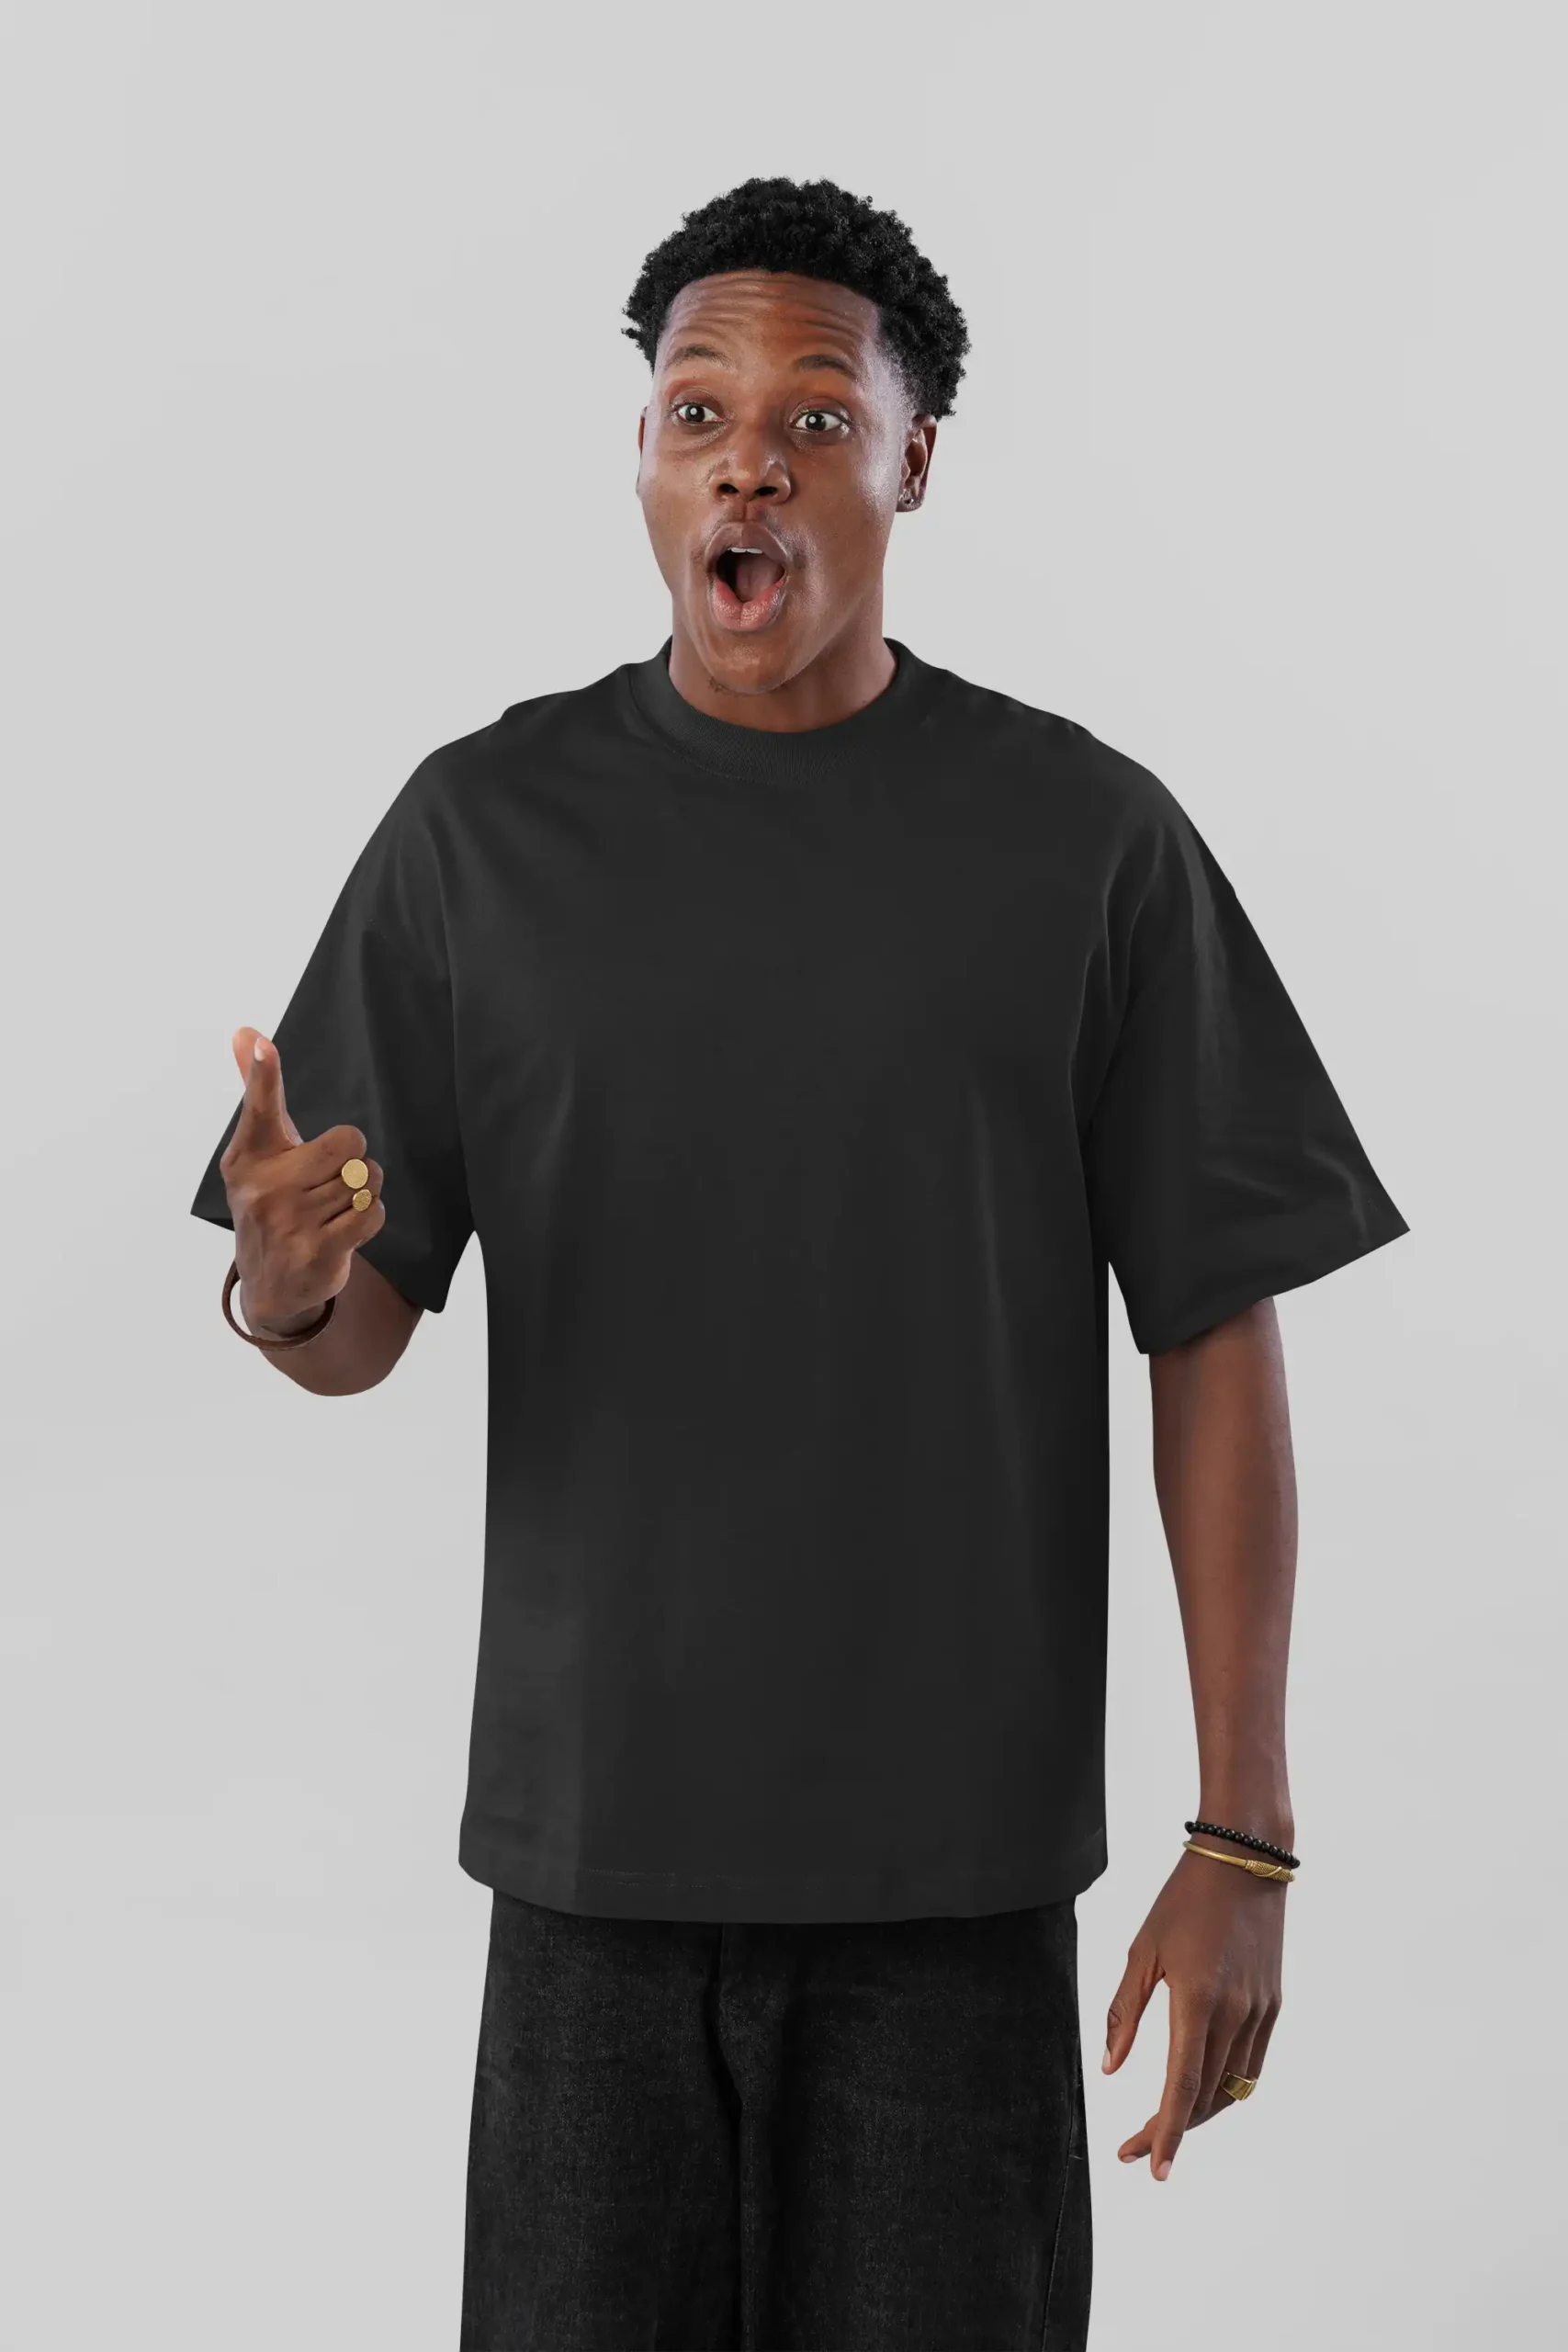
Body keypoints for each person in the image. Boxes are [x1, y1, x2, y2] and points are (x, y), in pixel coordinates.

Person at [187, 175, 1408, 2351]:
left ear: (914, 463)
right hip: (589, 1879)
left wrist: (1247, 1833)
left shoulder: (1085, 839)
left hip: (953, 1890)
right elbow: (352, 1326)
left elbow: (1215, 1319)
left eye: (816, 417)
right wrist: (284, 1283)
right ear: (645, 459)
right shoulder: (482, 830)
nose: (746, 459)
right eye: (696, 410)